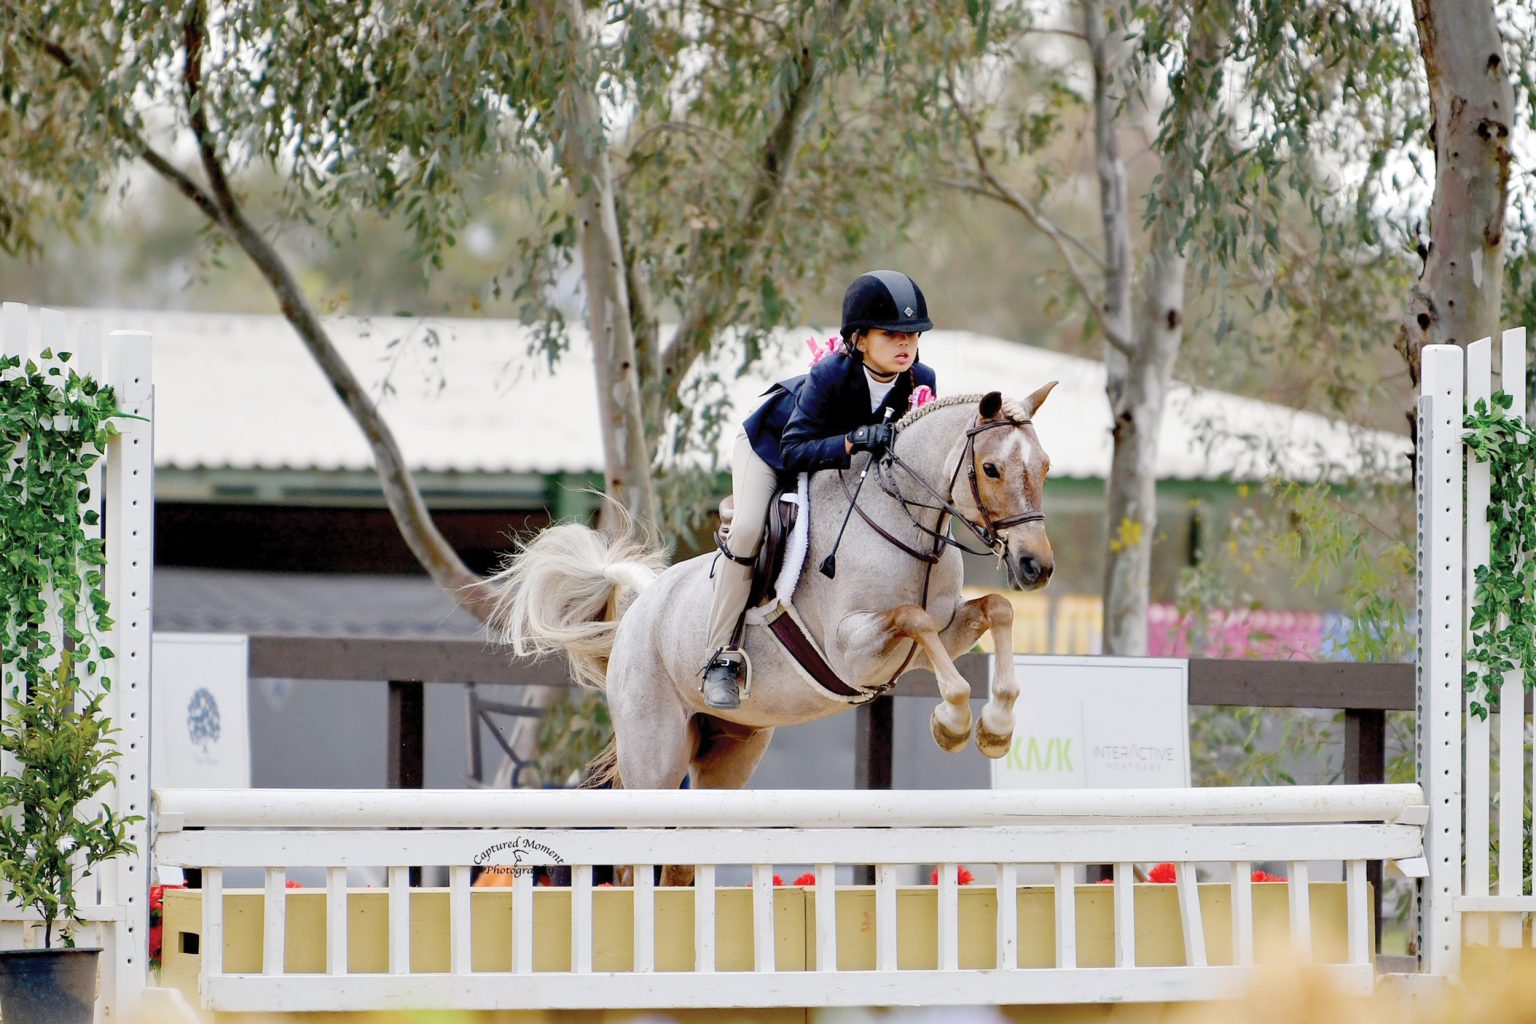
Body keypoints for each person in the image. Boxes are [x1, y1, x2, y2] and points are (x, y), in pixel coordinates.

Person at [700, 270, 938, 709]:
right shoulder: (831, 375)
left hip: (830, 464)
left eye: (913, 334)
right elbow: (793, 451)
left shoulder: (920, 380)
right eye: (891, 334)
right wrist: (851, 441)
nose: (906, 344)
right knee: (751, 528)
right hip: (770, 449)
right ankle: (721, 657)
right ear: (860, 340)